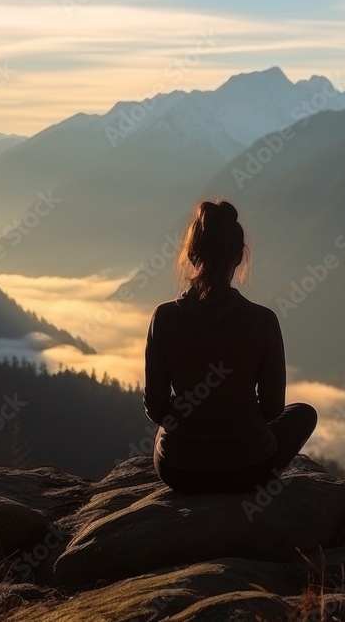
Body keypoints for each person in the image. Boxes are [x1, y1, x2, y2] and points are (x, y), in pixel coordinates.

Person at [142, 199, 318, 493]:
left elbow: (156, 407)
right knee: (303, 413)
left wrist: (194, 417)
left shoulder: (164, 317)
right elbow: (273, 408)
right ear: (238, 258)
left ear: (190, 253)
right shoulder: (263, 321)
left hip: (177, 469)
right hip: (248, 469)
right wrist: (236, 423)